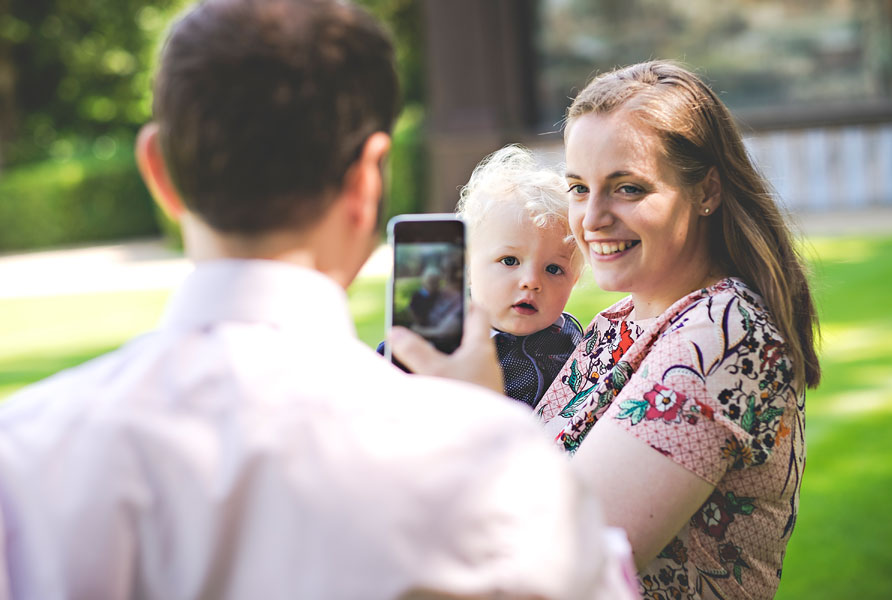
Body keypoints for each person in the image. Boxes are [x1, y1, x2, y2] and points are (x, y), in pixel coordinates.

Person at [0, 1, 638, 598]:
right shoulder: (487, 456)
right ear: (368, 181)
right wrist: (488, 445)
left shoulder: (26, 454)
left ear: (159, 172)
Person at [392, 60, 820, 600]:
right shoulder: (616, 324)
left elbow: (568, 559)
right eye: (578, 187)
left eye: (627, 188)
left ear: (707, 190)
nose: (591, 218)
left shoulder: (725, 336)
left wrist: (481, 414)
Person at [457, 145, 584, 407]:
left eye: (553, 269)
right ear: (467, 267)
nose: (531, 281)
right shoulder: (450, 341)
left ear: (574, 280)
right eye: (510, 261)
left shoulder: (575, 343)